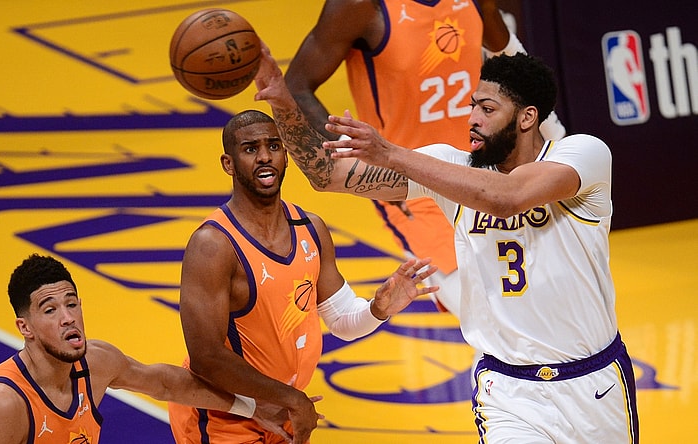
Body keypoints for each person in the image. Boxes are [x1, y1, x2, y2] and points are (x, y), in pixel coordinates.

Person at [256, 49, 639, 443]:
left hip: (593, 384)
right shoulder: (449, 167)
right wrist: (282, 101)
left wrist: (392, 153)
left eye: (488, 109)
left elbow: (507, 197)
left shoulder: (583, 155)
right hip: (508, 393)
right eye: (473, 106)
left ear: (527, 117)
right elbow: (328, 175)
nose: (472, 118)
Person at [168, 109, 438, 443]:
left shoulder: (310, 228)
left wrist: (378, 309)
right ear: (228, 163)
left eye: (273, 146)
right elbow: (206, 358)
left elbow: (341, 320)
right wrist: (293, 400)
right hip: (224, 417)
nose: (265, 157)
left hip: (282, 410)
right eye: (250, 149)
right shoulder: (213, 245)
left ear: (285, 154)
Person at [285, 0, 565, 314]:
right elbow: (296, 86)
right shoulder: (361, 6)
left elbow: (512, 60)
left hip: (491, 173)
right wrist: (360, 161)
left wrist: (556, 137)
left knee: (541, 304)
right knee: (490, 312)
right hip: (415, 186)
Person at [0, 253, 281, 444]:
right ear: (25, 328)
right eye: (50, 310)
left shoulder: (97, 363)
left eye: (71, 304)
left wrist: (253, 408)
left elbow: (166, 384)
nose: (67, 318)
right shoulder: (2, 403)